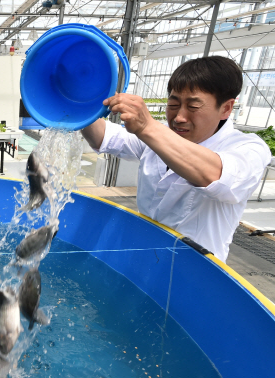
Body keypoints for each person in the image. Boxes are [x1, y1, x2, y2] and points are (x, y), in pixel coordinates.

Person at [80, 56, 271, 263]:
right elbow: (104, 137)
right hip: (144, 256)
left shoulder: (249, 149)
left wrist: (147, 127)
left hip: (194, 272)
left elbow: (215, 175)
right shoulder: (160, 137)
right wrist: (76, 103)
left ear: (226, 108)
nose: (179, 117)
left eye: (193, 107)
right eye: (173, 103)